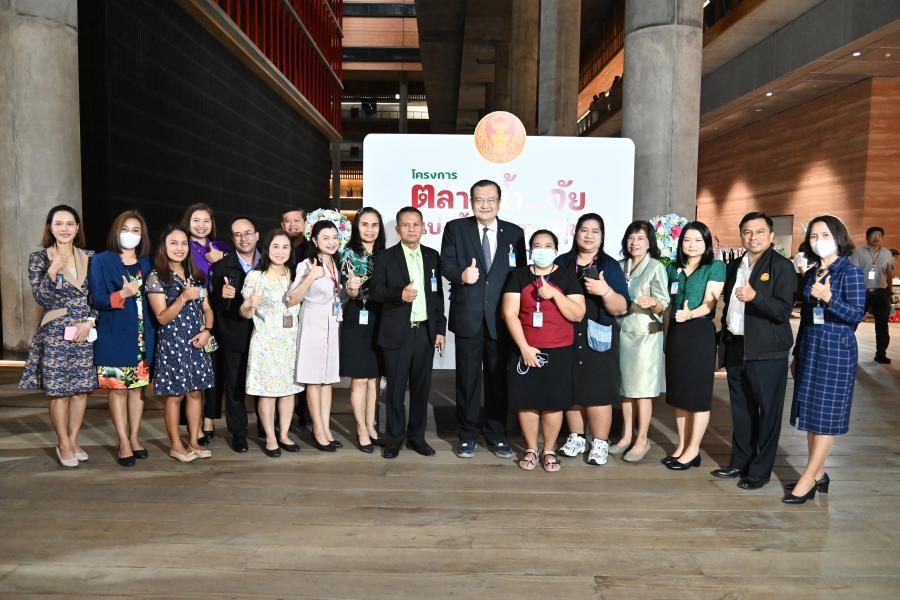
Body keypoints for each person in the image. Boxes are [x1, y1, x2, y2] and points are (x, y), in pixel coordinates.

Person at [440, 179, 526, 459]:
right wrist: (461, 275)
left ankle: (496, 434)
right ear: (471, 202)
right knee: (467, 380)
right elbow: (446, 264)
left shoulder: (514, 233)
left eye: (490, 200)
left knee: (498, 380)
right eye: (479, 200)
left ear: (499, 202)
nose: (485, 205)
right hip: (469, 316)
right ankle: (467, 435)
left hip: (501, 318)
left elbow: (520, 275)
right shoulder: (456, 228)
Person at [785, 216, 865, 503]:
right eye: (814, 236)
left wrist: (830, 298)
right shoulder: (812, 273)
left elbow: (856, 315)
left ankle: (808, 478)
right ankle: (818, 474)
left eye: (825, 235)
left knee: (826, 418)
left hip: (836, 351)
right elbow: (807, 318)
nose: (819, 241)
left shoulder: (850, 273)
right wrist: (797, 353)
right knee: (811, 414)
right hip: (811, 348)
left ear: (839, 238)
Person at [712, 212, 795, 490]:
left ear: (771, 236)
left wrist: (755, 297)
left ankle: (760, 471)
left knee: (768, 413)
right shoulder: (735, 265)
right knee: (742, 410)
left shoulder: (782, 266)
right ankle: (740, 462)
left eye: (759, 232)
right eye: (747, 232)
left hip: (767, 351)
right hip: (737, 346)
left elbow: (782, 311)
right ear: (741, 236)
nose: (753, 237)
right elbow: (729, 306)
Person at [19, 205, 98, 467]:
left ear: (77, 228)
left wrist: (89, 322)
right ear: (50, 228)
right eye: (59, 224)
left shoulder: (90, 257)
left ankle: (73, 440)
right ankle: (62, 442)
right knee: (59, 392)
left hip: (83, 331)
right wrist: (52, 271)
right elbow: (41, 298)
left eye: (70, 224)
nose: (64, 229)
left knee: (81, 391)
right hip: (55, 331)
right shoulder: (39, 259)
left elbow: (97, 296)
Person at [502, 230, 585, 472]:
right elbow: (509, 313)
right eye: (537, 246)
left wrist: (555, 294)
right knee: (527, 402)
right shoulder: (518, 275)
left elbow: (577, 314)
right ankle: (531, 448)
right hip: (526, 349)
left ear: (556, 250)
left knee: (553, 403)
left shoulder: (567, 275)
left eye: (548, 246)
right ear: (530, 250)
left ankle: (548, 450)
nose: (542, 250)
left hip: (559, 350)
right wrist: (524, 348)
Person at [370, 207, 446, 459]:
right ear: (397, 229)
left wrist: (440, 329)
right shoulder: (385, 257)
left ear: (423, 227)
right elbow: (376, 291)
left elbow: (437, 296)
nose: (411, 229)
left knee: (421, 389)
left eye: (416, 224)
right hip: (397, 333)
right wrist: (399, 295)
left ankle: (417, 437)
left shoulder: (432, 256)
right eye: (406, 225)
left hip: (425, 332)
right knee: (395, 389)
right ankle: (394, 439)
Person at [555, 214, 629, 466]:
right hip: (566, 331)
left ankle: (599, 442)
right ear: (575, 233)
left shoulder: (610, 265)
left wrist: (604, 290)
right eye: (584, 230)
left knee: (598, 389)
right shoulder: (562, 262)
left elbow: (621, 307)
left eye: (595, 231)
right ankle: (576, 437)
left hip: (598, 333)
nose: (589, 235)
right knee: (572, 387)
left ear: (602, 236)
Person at [89, 210, 156, 467]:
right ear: (116, 232)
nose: (130, 234)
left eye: (136, 230)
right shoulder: (101, 261)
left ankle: (135, 437)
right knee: (118, 389)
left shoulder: (148, 262)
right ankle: (123, 441)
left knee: (138, 390)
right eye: (125, 229)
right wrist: (122, 294)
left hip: (143, 335)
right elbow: (97, 298)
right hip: (114, 334)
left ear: (142, 235)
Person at [146, 225, 216, 462]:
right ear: (164, 247)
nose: (179, 248)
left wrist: (207, 331)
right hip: (173, 344)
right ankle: (176, 445)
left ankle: (193, 441)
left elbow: (208, 309)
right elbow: (162, 317)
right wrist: (184, 297)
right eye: (173, 243)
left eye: (184, 243)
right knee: (174, 395)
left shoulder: (196, 276)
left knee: (196, 393)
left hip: (197, 342)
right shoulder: (157, 277)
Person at [662, 221, 725, 471]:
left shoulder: (715, 266)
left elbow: (710, 303)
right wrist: (667, 335)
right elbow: (668, 305)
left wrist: (690, 314)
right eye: (687, 240)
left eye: (699, 240)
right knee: (680, 394)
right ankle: (682, 446)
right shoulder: (672, 268)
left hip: (699, 333)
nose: (692, 244)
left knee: (697, 396)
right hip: (677, 333)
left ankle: (693, 449)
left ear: (707, 243)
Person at [241, 229, 303, 457]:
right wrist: (250, 305)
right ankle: (270, 437)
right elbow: (245, 312)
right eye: (276, 246)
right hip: (266, 343)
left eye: (285, 247)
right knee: (267, 393)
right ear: (267, 249)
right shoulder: (256, 276)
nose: (280, 251)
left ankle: (284, 434)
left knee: (288, 391)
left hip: (290, 342)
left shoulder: (294, 274)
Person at [611, 220, 669, 462]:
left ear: (649, 243)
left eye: (640, 238)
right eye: (631, 238)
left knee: (642, 391)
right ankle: (626, 436)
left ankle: (642, 439)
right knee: (626, 389)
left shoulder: (656, 266)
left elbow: (663, 303)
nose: (635, 243)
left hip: (646, 336)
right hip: (622, 333)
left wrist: (652, 303)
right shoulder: (619, 265)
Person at [287, 220, 344, 452]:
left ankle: (326, 429)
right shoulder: (307, 264)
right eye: (325, 238)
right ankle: (318, 431)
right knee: (314, 380)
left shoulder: (336, 264)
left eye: (335, 237)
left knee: (327, 380)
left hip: (332, 324)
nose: (331, 242)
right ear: (315, 240)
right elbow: (292, 298)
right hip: (312, 325)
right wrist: (311, 277)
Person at [209, 217, 260, 452]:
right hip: (234, 334)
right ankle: (239, 432)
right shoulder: (222, 266)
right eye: (238, 234)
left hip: (264, 335)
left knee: (264, 382)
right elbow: (214, 305)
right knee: (235, 385)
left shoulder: (269, 262)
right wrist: (223, 297)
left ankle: (266, 428)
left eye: (247, 233)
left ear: (256, 235)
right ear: (232, 239)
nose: (244, 238)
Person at [181, 203, 230, 441]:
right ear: (188, 222)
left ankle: (209, 418)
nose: (201, 225)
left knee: (214, 368)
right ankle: (193, 422)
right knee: (192, 369)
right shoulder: (183, 246)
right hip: (192, 314)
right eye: (196, 220)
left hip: (219, 313)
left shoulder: (220, 246)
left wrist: (222, 258)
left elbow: (240, 263)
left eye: (206, 221)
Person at [339, 208, 387, 452]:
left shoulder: (385, 254)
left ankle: (371, 425)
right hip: (356, 316)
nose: (369, 229)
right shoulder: (348, 253)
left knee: (374, 378)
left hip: (380, 318)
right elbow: (346, 290)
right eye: (364, 224)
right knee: (359, 379)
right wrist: (353, 289)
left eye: (374, 225)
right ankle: (360, 429)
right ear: (357, 227)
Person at [850, 226, 893, 364]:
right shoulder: (858, 252)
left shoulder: (887, 253)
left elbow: (889, 273)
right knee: (852, 322)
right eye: (873, 235)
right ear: (867, 237)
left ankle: (881, 354)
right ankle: (844, 350)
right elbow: (853, 273)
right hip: (862, 292)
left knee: (882, 326)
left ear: (882, 238)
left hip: (881, 292)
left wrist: (890, 291)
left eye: (879, 235)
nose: (876, 237)